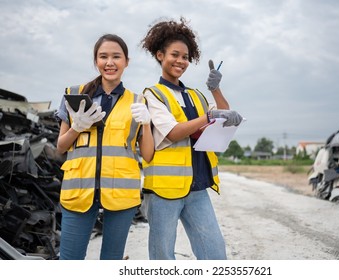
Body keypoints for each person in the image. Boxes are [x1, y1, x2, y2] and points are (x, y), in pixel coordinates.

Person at [139, 17, 243, 260]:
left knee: (215, 254)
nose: (181, 61)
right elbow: (173, 131)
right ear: (159, 55)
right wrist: (209, 116)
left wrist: (215, 90)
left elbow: (220, 117)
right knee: (163, 257)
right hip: (164, 191)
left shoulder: (195, 95)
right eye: (175, 54)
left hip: (197, 186)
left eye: (185, 57)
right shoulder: (152, 94)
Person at [56, 34, 154, 260]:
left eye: (116, 57)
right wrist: (76, 128)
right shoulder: (74, 94)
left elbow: (148, 155)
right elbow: (61, 147)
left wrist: (147, 124)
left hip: (121, 191)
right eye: (103, 57)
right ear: (96, 61)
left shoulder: (138, 101)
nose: (110, 62)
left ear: (126, 62)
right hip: (79, 188)